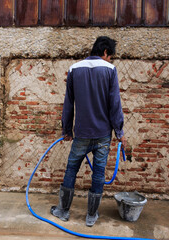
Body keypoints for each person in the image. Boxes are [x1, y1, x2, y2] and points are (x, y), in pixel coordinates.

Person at [50, 36, 126, 227]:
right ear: (106, 52)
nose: (110, 60)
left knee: (71, 170)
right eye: (110, 56)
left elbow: (68, 104)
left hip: (82, 134)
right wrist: (120, 132)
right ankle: (91, 216)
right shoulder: (110, 70)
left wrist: (67, 129)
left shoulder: (74, 69)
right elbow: (114, 104)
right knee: (98, 174)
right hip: (102, 135)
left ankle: (63, 211)